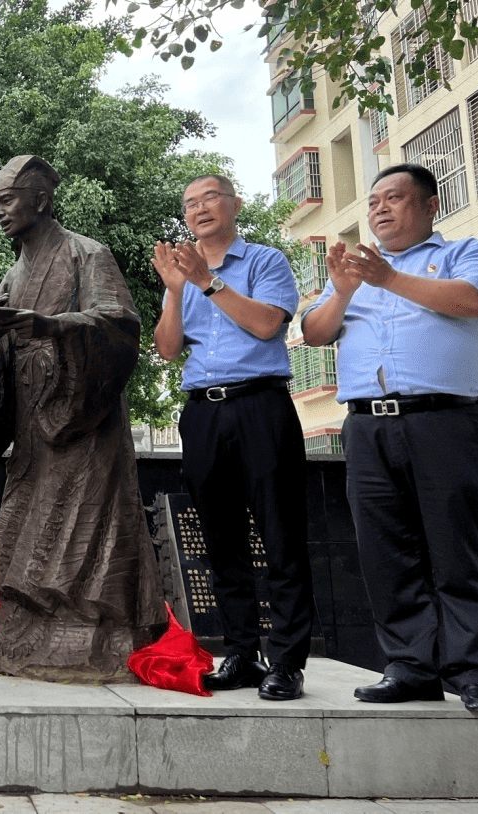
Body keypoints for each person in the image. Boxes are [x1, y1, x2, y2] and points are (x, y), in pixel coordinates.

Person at [0, 155, 162, 682]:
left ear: (41, 199)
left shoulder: (87, 254)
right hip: (34, 423)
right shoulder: (13, 275)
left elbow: (120, 327)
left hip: (83, 414)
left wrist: (54, 327)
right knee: (30, 520)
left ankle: (92, 630)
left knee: (85, 523)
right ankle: (30, 623)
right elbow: (0, 359)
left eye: (7, 201)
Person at [302, 163, 478, 712]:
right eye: (373, 203)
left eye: (394, 198)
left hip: (443, 420)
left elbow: (476, 301)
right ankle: (410, 667)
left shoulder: (465, 254)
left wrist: (388, 280)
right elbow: (314, 333)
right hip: (367, 426)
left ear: (429, 204)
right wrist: (343, 291)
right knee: (385, 551)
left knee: (457, 550)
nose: (379, 210)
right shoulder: (352, 273)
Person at [152, 174, 313, 701]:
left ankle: (287, 661)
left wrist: (208, 283)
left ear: (234, 205)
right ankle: (242, 652)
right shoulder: (181, 273)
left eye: (209, 198)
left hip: (260, 406)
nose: (199, 209)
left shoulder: (265, 262)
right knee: (220, 540)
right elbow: (168, 348)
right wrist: (177, 291)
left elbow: (268, 325)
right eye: (190, 202)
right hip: (204, 413)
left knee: (280, 534)